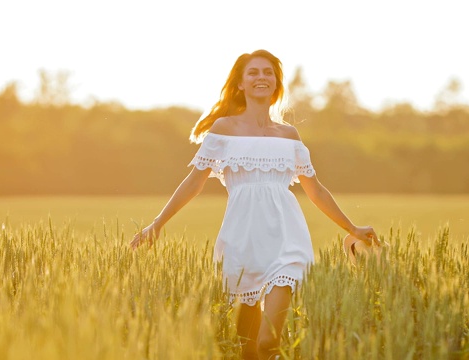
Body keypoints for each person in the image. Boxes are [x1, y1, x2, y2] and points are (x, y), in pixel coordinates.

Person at [130, 49, 378, 360]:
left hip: (287, 239)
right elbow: (193, 182)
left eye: (268, 73)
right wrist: (157, 223)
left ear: (276, 84)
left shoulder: (289, 135)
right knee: (247, 347)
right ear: (241, 84)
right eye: (253, 73)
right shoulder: (223, 129)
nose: (261, 77)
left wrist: (352, 228)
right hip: (241, 241)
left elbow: (316, 190)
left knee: (267, 343)